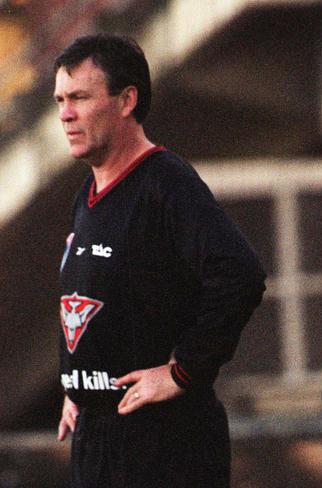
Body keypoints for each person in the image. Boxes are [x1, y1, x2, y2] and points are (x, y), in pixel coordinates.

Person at [54, 34, 266, 487]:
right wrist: (79, 387)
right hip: (96, 437)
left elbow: (240, 275)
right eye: (59, 99)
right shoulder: (85, 197)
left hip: (161, 445)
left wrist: (182, 371)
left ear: (127, 99)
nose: (65, 114)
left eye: (79, 98)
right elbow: (93, 300)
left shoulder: (166, 183)